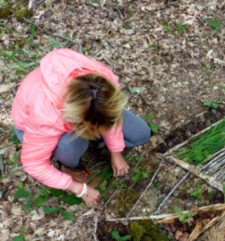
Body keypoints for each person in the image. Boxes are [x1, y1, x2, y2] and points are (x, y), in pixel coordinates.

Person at [11, 48, 151, 207]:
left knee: (141, 134)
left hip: (77, 112)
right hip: (35, 127)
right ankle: (70, 167)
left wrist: (116, 151)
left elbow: (110, 117)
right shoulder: (45, 115)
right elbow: (33, 164)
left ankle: (92, 142)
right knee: (71, 145)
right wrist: (77, 188)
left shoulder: (101, 80)